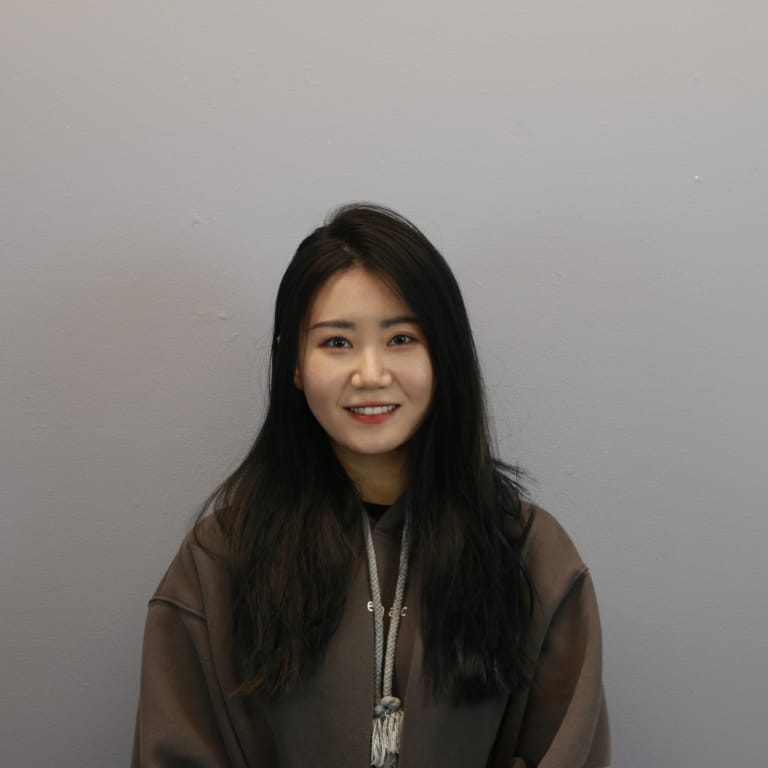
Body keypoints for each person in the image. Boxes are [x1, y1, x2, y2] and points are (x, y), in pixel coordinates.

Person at [132, 204, 610, 768]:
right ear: (293, 364)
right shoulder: (218, 560)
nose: (371, 374)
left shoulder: (532, 555)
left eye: (401, 338)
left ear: (445, 356)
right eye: (337, 343)